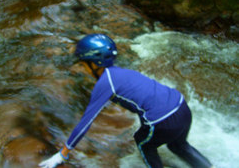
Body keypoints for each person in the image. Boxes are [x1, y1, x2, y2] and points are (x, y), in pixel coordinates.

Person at [39, 34, 214, 168]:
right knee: (179, 146)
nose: (82, 68)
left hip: (163, 122)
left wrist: (62, 154)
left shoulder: (105, 83)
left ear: (94, 63)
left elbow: (85, 123)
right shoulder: (123, 72)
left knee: (142, 141)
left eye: (83, 63)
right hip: (182, 107)